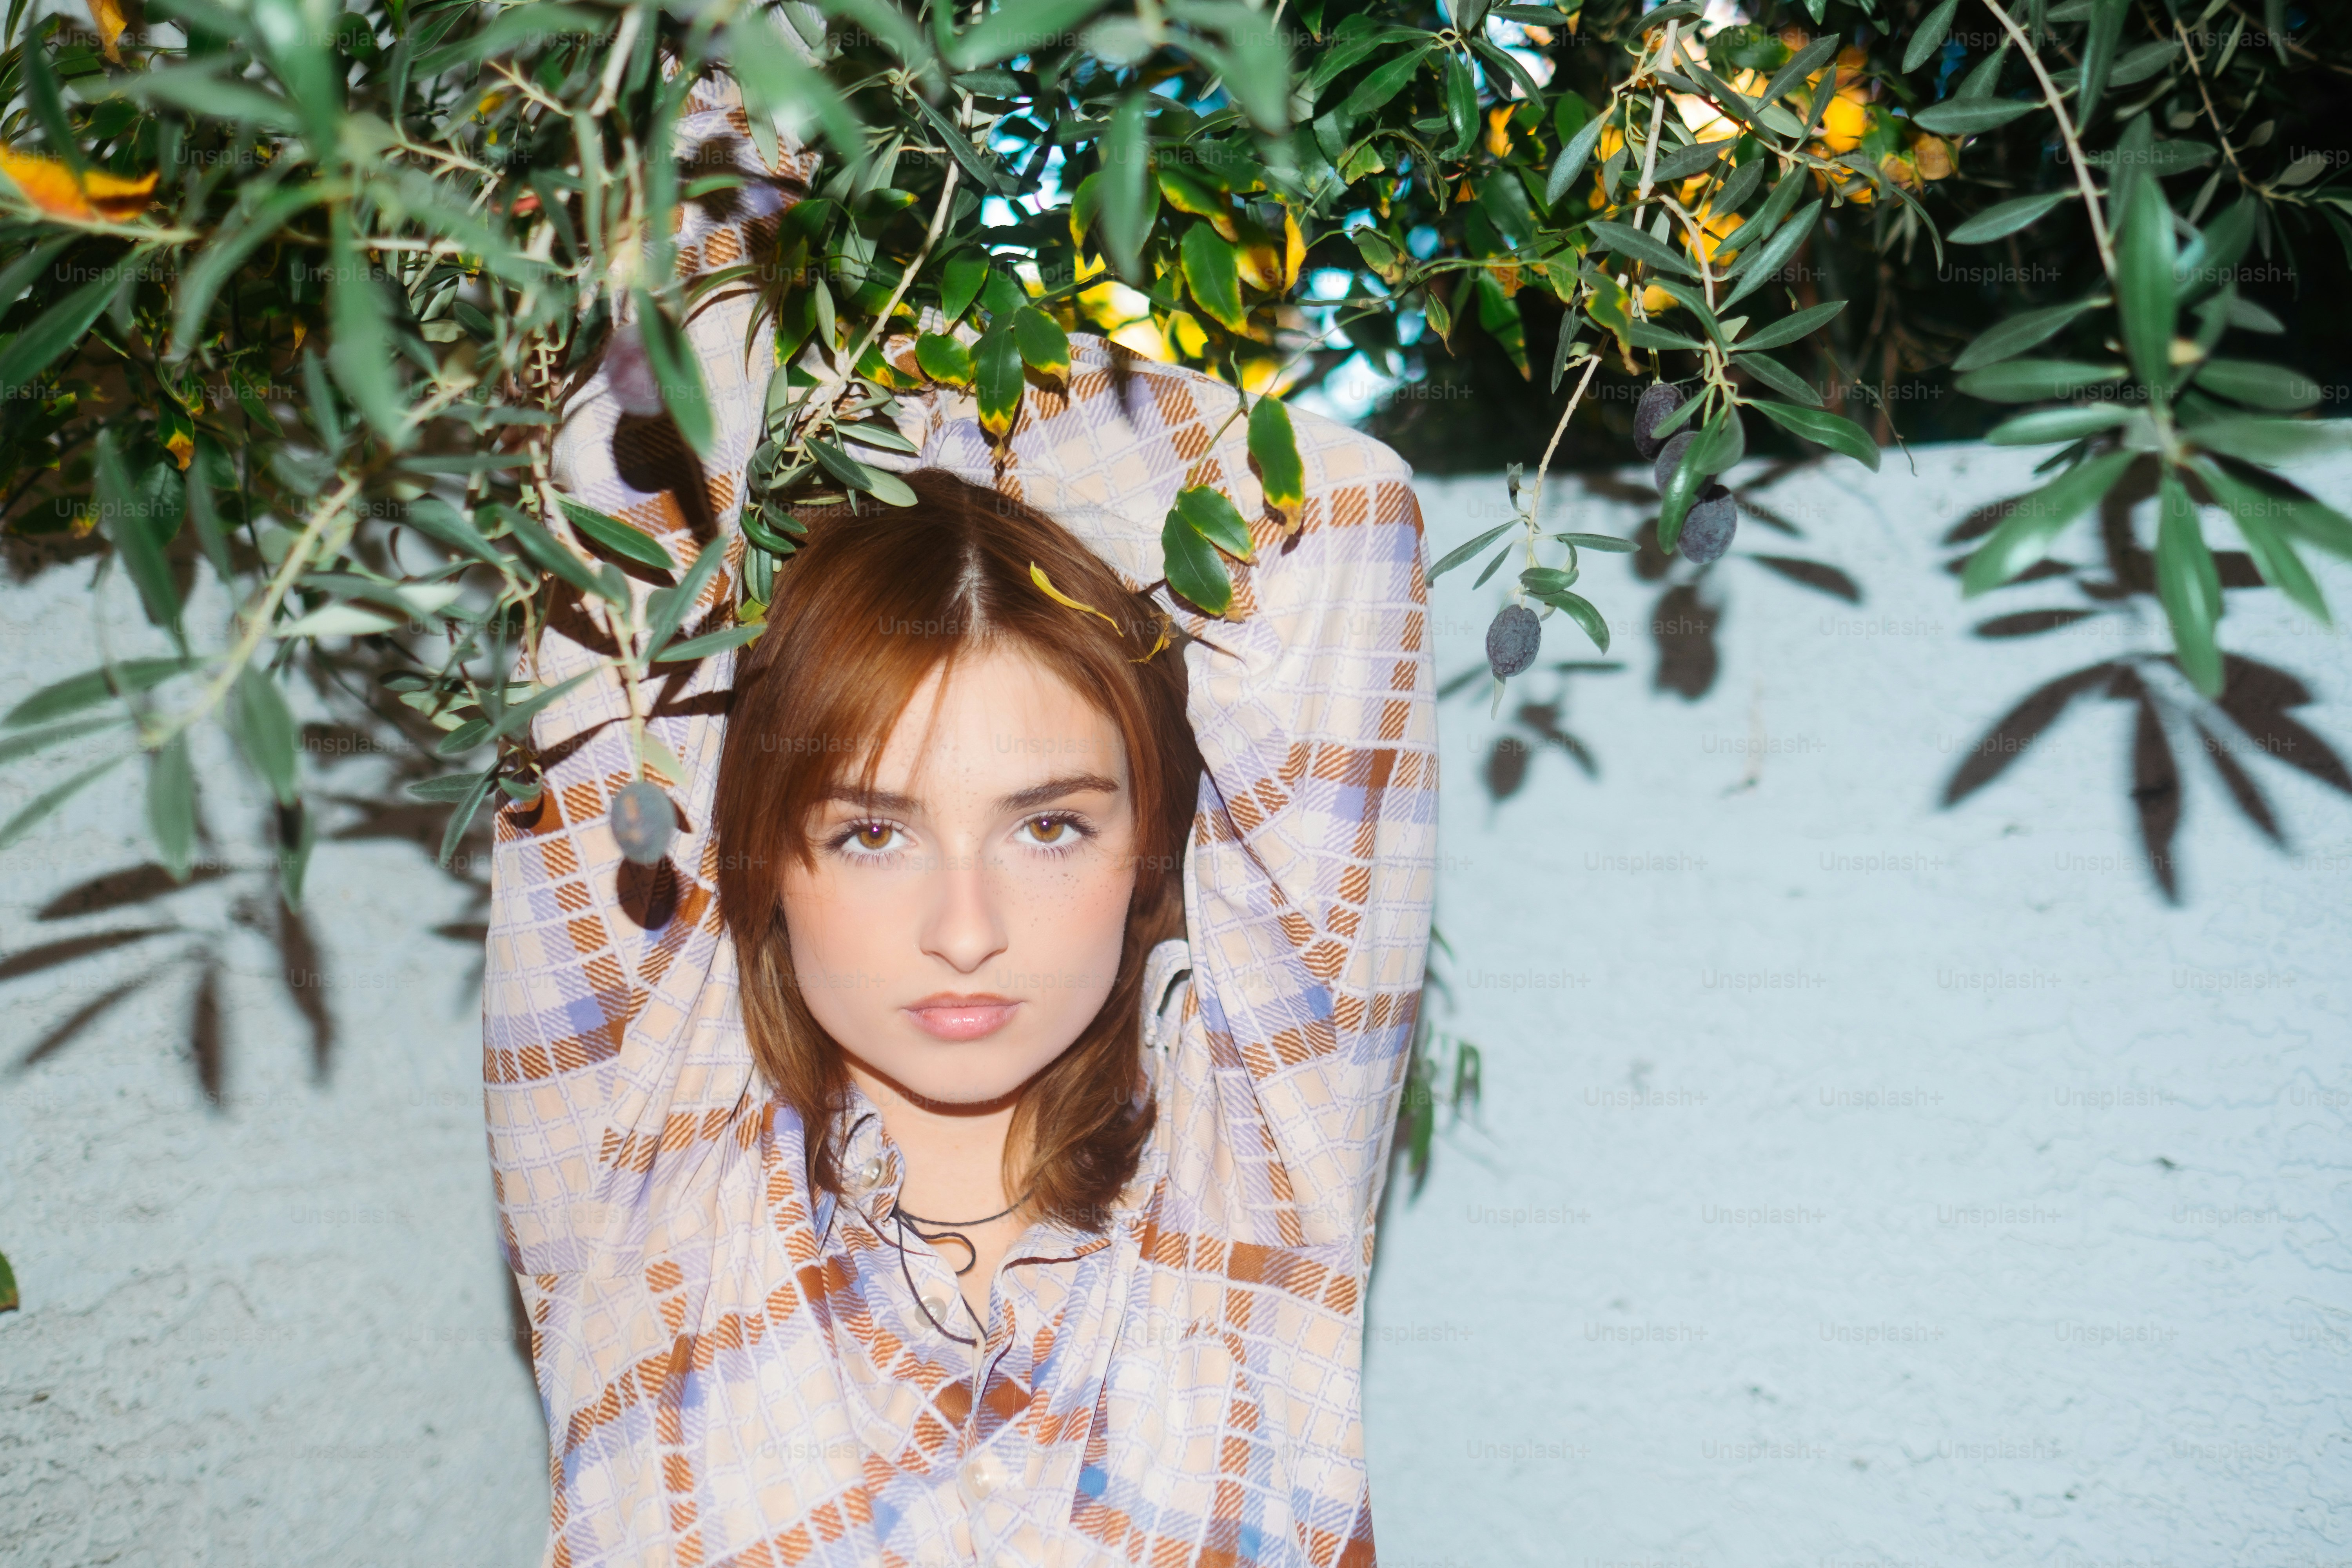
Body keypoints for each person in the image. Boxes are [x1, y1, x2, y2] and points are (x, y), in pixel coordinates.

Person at [482, 76, 1436, 1566]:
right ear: (755, 860)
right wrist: (874, 390)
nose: (966, 929)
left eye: (1049, 826)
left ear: (1148, 855)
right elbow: (639, 450)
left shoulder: (1256, 1149)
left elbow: (1343, 519)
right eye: (870, 831)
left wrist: (965, 387)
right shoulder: (640, 1144)